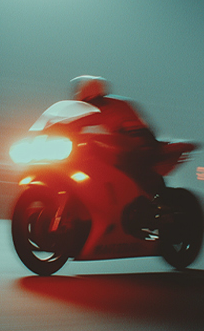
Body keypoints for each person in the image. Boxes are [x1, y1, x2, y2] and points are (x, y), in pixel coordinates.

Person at [49, 76, 166, 226]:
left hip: (141, 143)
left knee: (128, 166)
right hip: (128, 144)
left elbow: (80, 123)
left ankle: (140, 207)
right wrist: (52, 129)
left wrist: (60, 128)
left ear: (89, 96)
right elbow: (74, 124)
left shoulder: (110, 108)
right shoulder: (99, 108)